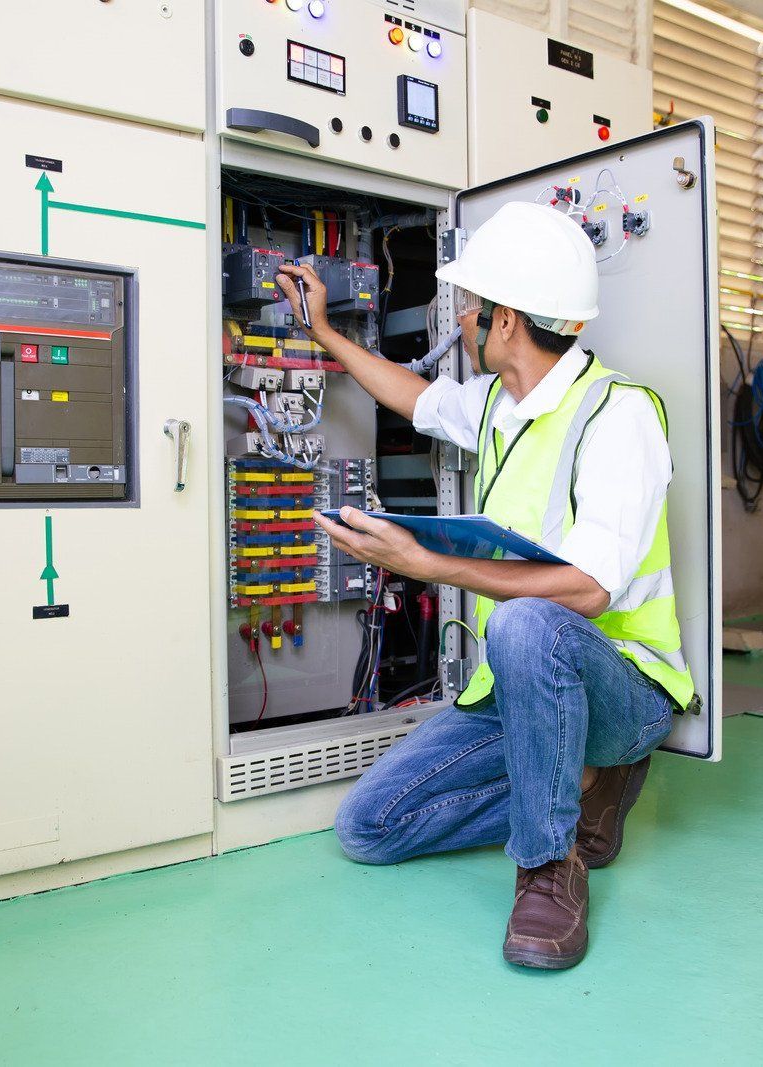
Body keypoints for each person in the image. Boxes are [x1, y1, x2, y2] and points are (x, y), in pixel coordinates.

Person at [276, 201, 693, 971]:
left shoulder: (619, 415)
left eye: (473, 307)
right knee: (369, 826)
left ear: (506, 324)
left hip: (622, 690)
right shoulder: (502, 403)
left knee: (526, 622)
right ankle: (578, 782)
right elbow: (416, 397)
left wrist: (429, 565)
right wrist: (324, 334)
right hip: (521, 692)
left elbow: (592, 591)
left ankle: (547, 863)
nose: (460, 319)